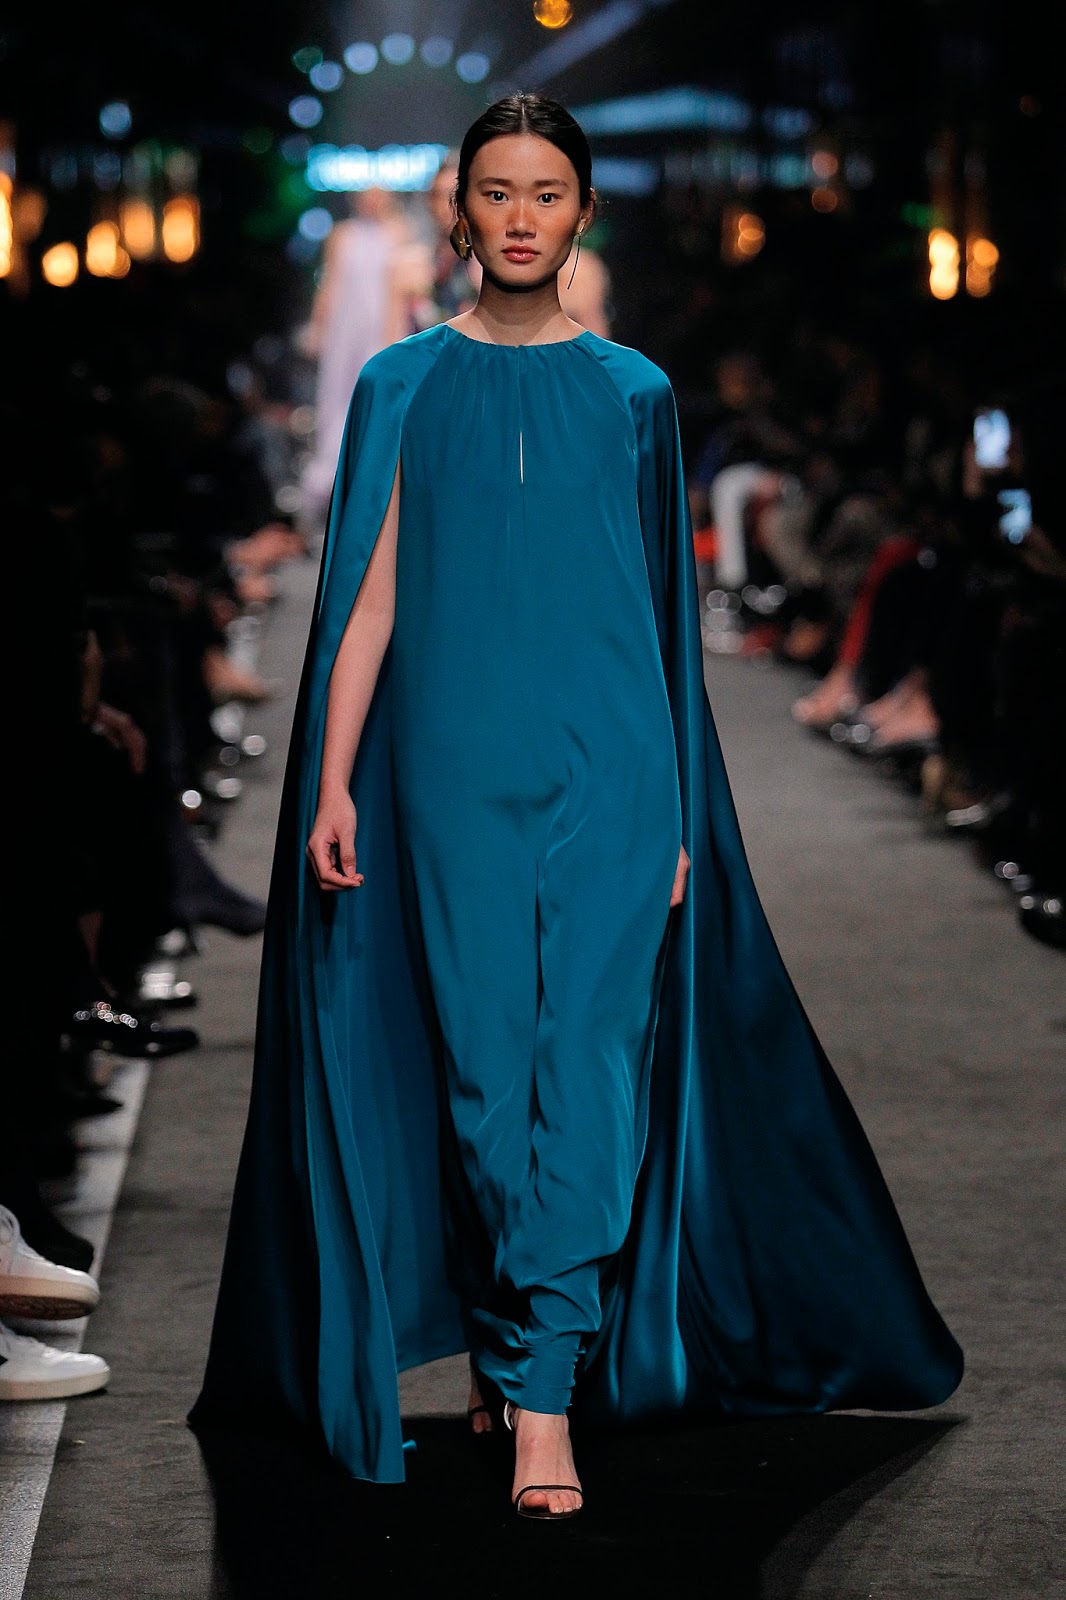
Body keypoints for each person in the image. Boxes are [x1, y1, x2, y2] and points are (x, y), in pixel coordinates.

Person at [190, 94, 963, 1521]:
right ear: (459, 211)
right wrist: (337, 778)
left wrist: (677, 811)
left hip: (614, 771)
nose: (521, 216)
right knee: (489, 1083)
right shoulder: (402, 385)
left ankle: (541, 1392)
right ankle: (510, 1340)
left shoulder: (633, 394)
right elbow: (367, 601)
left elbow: (662, 619)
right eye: (497, 191)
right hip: (450, 777)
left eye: (547, 191)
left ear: (583, 213)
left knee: (592, 1071)